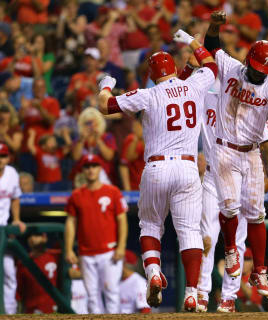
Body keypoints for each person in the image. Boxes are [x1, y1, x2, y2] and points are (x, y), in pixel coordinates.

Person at [96, 29, 218, 311]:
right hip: (188, 167)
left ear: (152, 74)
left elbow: (104, 106)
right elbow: (210, 64)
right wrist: (191, 41)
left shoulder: (148, 94)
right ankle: (191, 293)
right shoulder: (196, 85)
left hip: (157, 167)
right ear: (174, 68)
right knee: (189, 232)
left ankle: (153, 272)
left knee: (150, 225)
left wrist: (105, 84)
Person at [203, 11, 268, 298]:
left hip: (251, 155)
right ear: (249, 60)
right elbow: (212, 44)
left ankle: (259, 272)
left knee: (257, 215)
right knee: (229, 209)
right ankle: (231, 252)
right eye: (256, 66)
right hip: (224, 148)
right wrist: (215, 24)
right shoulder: (233, 68)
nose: (258, 72)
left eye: (264, 68)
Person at [181, 88, 268, 312]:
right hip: (214, 176)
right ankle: (202, 293)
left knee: (239, 240)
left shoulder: (252, 105)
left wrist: (267, 178)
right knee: (207, 236)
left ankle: (229, 297)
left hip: (243, 177)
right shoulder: (208, 98)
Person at [65, 154, 129, 314]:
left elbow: (122, 220)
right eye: (87, 167)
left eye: (94, 166)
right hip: (86, 252)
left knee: (112, 292)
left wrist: (121, 247)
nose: (91, 170)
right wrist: (68, 249)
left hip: (109, 251)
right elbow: (70, 222)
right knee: (92, 296)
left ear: (100, 168)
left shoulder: (113, 191)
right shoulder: (76, 195)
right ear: (83, 170)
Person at [0, 142, 25, 314]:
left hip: (3, 230)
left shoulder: (12, 173)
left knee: (9, 272)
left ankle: (9, 313)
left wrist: (16, 219)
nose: (0, 160)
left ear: (8, 158)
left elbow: (15, 198)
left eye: (3, 156)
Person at [16, 232, 61, 314]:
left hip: (55, 308)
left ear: (45, 237)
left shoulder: (56, 255)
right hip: (31, 310)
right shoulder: (22, 262)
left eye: (37, 235)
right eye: (30, 236)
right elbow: (19, 292)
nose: (33, 238)